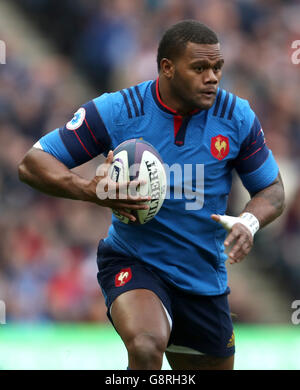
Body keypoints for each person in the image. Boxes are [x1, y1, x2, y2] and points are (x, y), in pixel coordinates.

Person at [18, 20, 285, 370]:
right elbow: (32, 163)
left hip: (203, 278)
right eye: (200, 68)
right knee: (146, 347)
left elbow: (273, 189)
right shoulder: (119, 110)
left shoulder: (236, 117)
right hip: (134, 262)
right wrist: (89, 190)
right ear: (167, 68)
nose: (213, 77)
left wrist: (249, 222)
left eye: (217, 67)